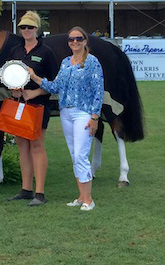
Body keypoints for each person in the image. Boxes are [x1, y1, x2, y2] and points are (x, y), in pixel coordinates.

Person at [28, 26, 103, 211]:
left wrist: (95, 117)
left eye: (78, 39)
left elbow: (98, 91)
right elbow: (55, 87)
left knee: (80, 155)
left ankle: (88, 200)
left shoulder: (92, 62)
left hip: (84, 113)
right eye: (71, 39)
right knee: (74, 155)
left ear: (85, 41)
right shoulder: (65, 62)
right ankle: (81, 196)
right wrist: (34, 77)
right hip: (66, 113)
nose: (74, 42)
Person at [6, 11, 58, 207]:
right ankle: (26, 189)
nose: (26, 30)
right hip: (19, 105)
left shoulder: (46, 52)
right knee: (22, 147)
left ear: (37, 29)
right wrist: (13, 91)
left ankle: (40, 193)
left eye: (30, 27)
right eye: (23, 27)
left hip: (38, 105)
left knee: (36, 146)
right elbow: (8, 75)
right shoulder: (15, 51)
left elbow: (55, 83)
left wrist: (35, 93)